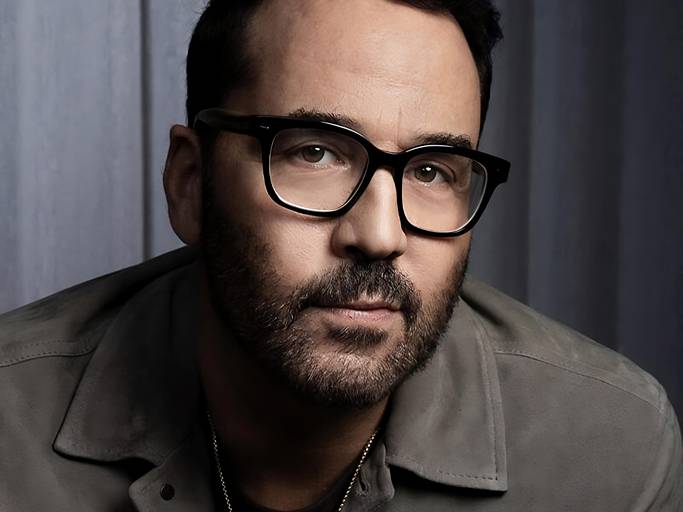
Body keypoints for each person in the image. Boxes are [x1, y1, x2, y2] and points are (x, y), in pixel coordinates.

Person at [1, 0, 681, 510]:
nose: (381, 236)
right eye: (315, 153)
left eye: (431, 170)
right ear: (190, 182)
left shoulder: (608, 451)